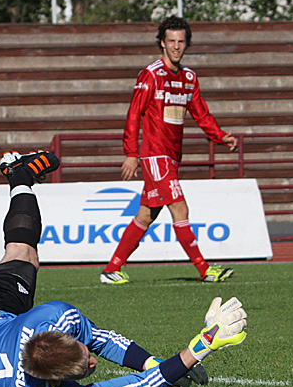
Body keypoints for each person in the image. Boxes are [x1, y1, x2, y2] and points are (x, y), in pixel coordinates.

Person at [0, 149, 248, 387]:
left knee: (18, 258)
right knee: (22, 253)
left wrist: (182, 355)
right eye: (85, 366)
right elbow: (136, 384)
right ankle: (20, 176)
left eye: (83, 356)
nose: (93, 361)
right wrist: (204, 343)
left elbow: (104, 346)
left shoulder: (51, 319)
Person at [99, 16, 239, 286]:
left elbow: (201, 113)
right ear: (161, 43)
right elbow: (134, 114)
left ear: (187, 44)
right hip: (155, 154)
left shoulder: (188, 77)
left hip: (172, 156)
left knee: (146, 215)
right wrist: (131, 152)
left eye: (181, 42)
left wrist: (220, 136)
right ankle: (205, 269)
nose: (176, 46)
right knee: (180, 208)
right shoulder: (151, 74)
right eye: (171, 41)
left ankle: (112, 269)